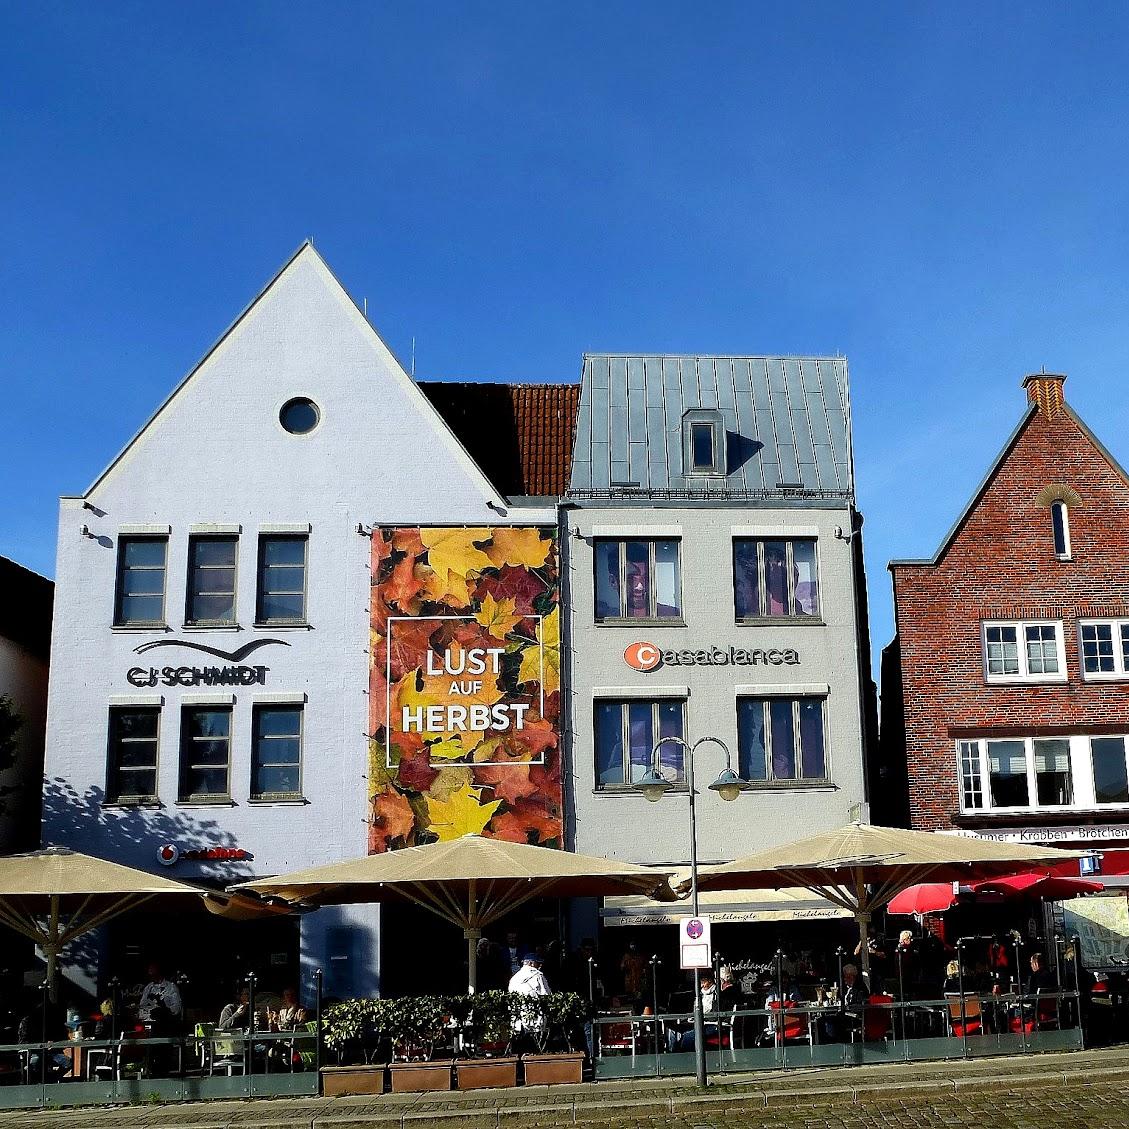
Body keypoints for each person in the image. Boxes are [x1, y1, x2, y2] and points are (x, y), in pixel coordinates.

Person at [137, 963, 183, 1029]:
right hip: (152, 1025)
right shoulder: (148, 988)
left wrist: (164, 1010)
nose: (151, 976)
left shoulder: (171, 987)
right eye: (150, 974)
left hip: (168, 1025)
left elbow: (177, 1009)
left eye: (153, 974)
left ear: (159, 972)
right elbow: (142, 1005)